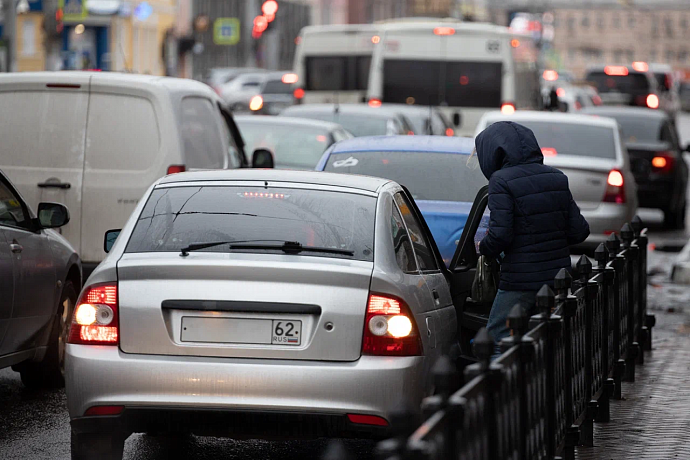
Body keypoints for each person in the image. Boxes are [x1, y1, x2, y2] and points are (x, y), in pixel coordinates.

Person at [474, 121, 589, 354]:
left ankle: (504, 390)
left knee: (497, 339)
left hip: (519, 280)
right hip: (556, 280)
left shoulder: (501, 181)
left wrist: (482, 247)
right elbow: (580, 231)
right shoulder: (557, 178)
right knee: (546, 340)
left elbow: (501, 235)